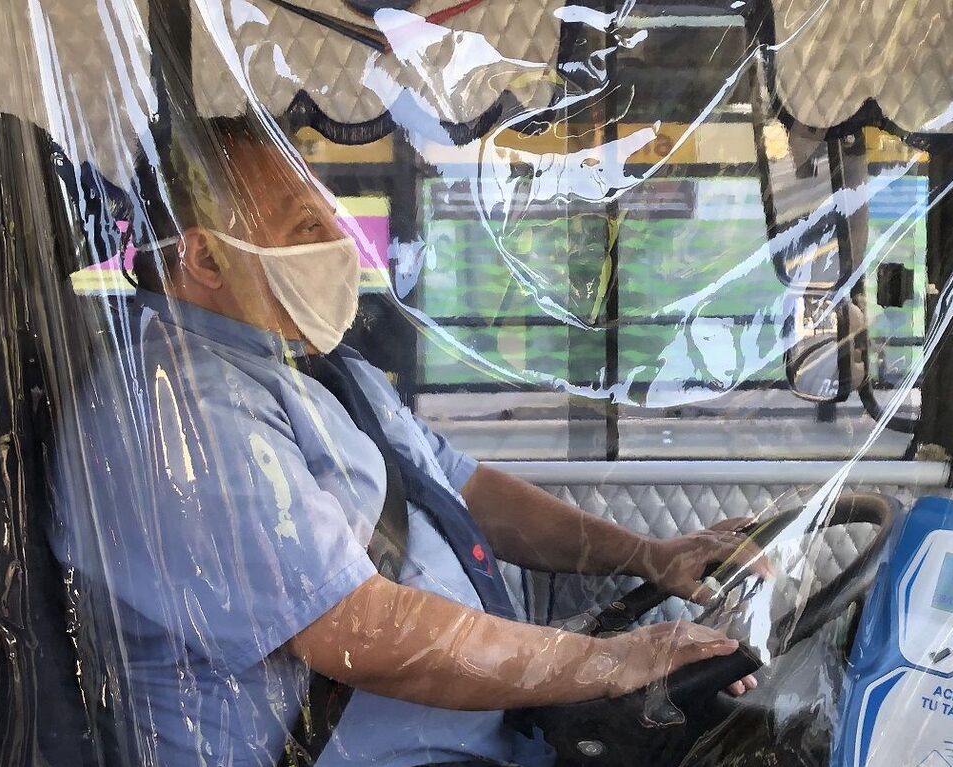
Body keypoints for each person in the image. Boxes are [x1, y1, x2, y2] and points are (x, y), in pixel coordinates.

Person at [50, 116, 763, 767]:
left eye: (332, 219)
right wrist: (605, 662)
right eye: (305, 228)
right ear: (205, 259)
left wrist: (648, 554)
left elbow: (466, 491)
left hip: (484, 741)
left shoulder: (320, 372)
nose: (339, 244)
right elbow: (356, 628)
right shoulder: (182, 411)